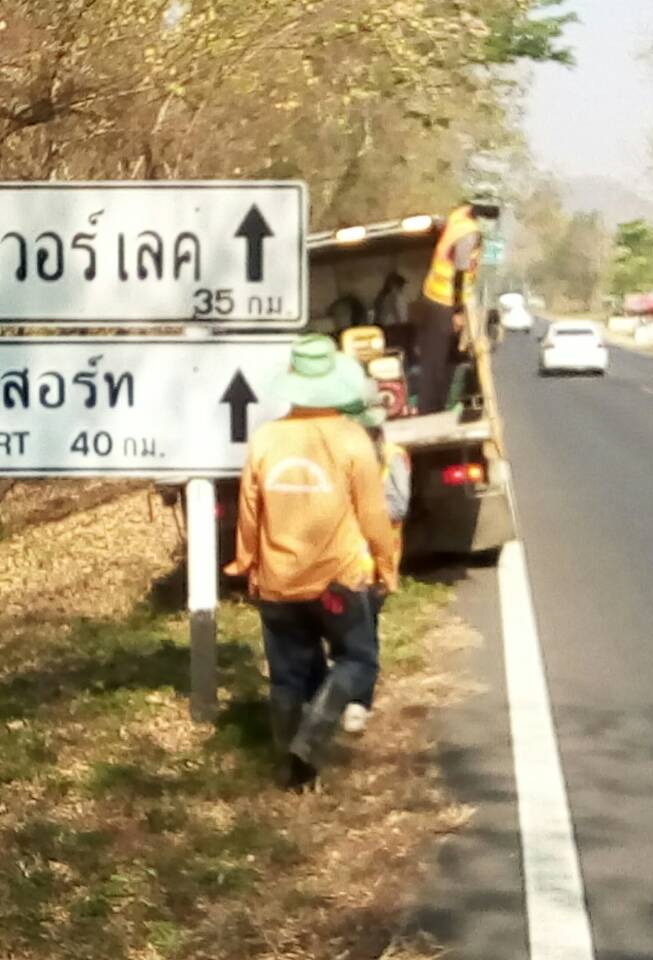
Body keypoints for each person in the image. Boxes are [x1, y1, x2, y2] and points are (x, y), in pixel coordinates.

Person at [225, 335, 399, 790]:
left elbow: (249, 511)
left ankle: (294, 774)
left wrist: (245, 563)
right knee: (358, 660)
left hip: (278, 581)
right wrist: (387, 566)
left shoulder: (266, 438)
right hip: (338, 580)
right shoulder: (352, 439)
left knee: (288, 677)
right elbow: (373, 515)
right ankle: (315, 731)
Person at [339, 384, 411, 735]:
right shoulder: (336, 457)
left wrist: (360, 510)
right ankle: (346, 698)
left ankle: (357, 702)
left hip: (372, 566)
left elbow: (398, 506)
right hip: (339, 564)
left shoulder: (393, 456)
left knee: (363, 635)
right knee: (349, 636)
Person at [415, 202, 488, 414]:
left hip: (432, 295)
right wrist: (457, 311)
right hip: (445, 301)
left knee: (433, 358)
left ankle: (431, 406)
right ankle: (432, 409)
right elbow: (460, 271)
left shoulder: (456, 220)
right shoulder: (469, 232)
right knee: (440, 360)